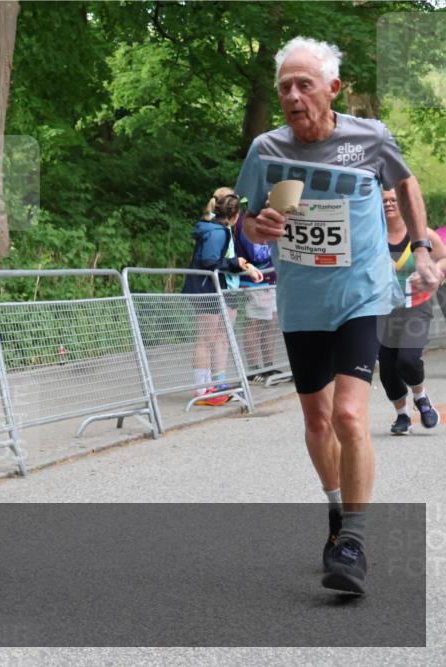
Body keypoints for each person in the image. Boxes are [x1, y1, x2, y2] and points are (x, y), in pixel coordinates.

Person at [238, 37, 444, 595]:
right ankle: (336, 510)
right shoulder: (266, 149)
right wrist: (259, 227)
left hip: (361, 294)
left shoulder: (370, 138)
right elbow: (248, 219)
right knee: (317, 422)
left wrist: (422, 248)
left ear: (331, 89)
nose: (292, 96)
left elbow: (406, 182)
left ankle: (353, 540)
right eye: (284, 87)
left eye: (304, 85)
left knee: (349, 416)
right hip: (303, 301)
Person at [182, 188, 263, 407]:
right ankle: (202, 390)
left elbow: (221, 260)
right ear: (235, 215)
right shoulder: (217, 232)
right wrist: (236, 263)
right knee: (205, 339)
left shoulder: (221, 229)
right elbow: (210, 261)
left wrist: (242, 265)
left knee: (217, 337)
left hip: (218, 288)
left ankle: (216, 385)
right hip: (205, 290)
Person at [378, 189, 445, 434]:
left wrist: (433, 272)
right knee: (387, 367)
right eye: (384, 200)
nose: (388, 204)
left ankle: (421, 398)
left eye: (393, 200)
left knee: (408, 359)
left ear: (404, 204)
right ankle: (402, 416)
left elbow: (443, 258)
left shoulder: (421, 234)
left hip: (417, 306)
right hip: (383, 309)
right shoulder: (372, 235)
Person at [234, 209, 281, 383]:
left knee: (271, 323)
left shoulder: (267, 217)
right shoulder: (246, 221)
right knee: (254, 323)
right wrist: (278, 244)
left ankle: (268, 367)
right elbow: (257, 254)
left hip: (271, 280)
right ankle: (254, 370)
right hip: (254, 281)